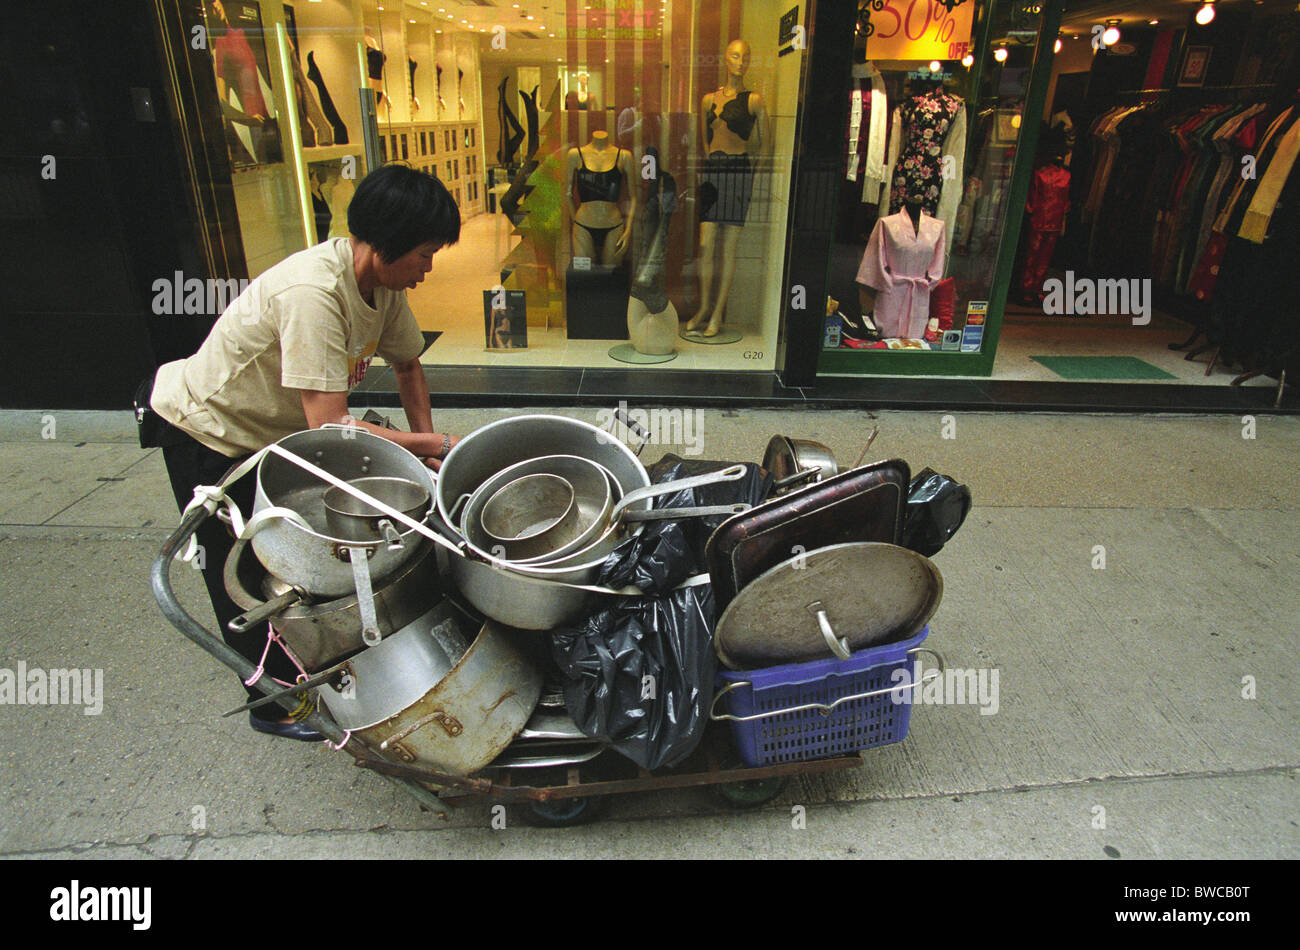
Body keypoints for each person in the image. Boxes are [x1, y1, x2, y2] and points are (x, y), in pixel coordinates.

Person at [148, 164, 461, 741]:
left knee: (301, 549)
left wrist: (430, 453)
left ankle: (321, 664)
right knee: (240, 570)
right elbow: (333, 428)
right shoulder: (313, 294)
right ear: (385, 244)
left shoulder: (383, 285)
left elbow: (409, 365)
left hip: (278, 432)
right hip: (209, 430)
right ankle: (271, 704)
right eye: (423, 253)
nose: (428, 268)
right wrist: (430, 445)